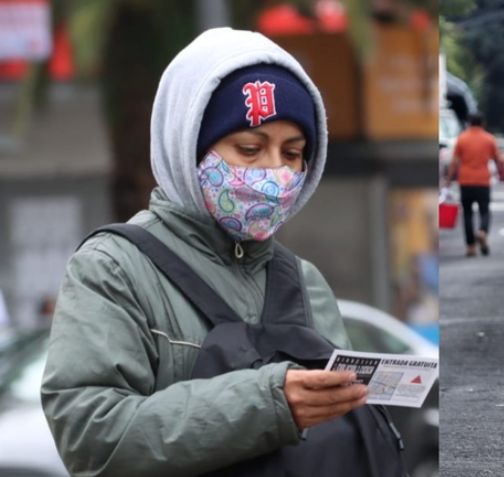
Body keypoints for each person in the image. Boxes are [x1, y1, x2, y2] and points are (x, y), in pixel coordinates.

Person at [40, 28, 392, 476]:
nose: (274, 172)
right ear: (188, 146)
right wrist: (267, 403)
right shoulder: (113, 268)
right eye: (249, 149)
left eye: (293, 153)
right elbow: (88, 434)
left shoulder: (304, 280)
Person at [445, 112, 504, 257]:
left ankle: (471, 247)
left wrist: (448, 180)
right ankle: (483, 231)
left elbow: (454, 162)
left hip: (465, 180)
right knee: (484, 210)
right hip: (483, 180)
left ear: (468, 123)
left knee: (467, 213)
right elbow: (499, 160)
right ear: (482, 123)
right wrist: (501, 171)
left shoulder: (462, 139)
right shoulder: (489, 139)